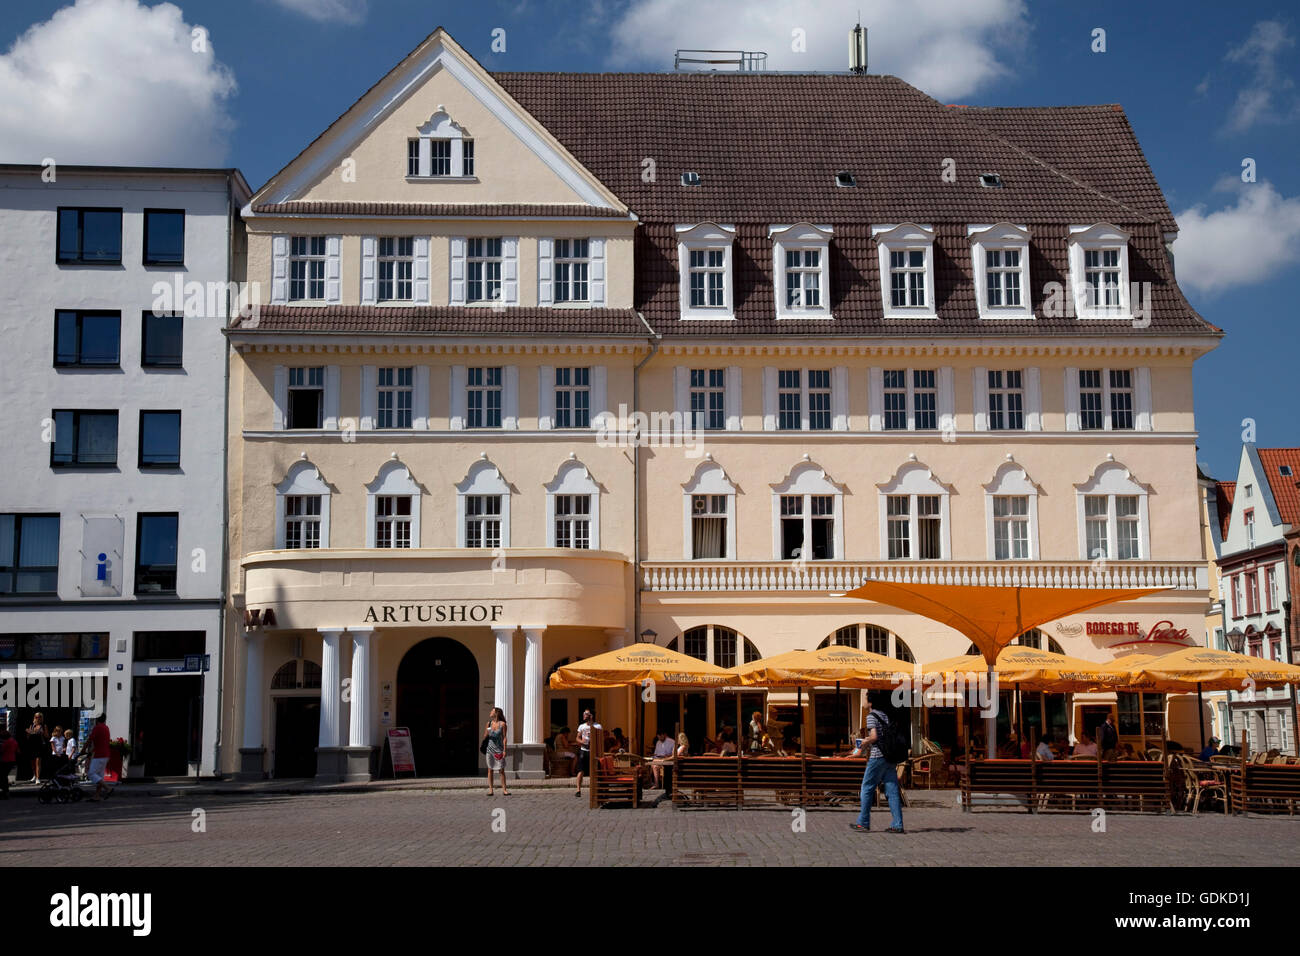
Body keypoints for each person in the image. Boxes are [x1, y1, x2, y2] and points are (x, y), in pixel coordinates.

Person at [850, 698, 903, 834]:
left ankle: (863, 823)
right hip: (889, 757)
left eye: (865, 699)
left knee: (867, 788)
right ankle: (897, 824)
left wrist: (864, 742)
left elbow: (874, 737)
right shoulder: (884, 715)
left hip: (877, 756)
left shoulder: (871, 716)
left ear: (871, 703)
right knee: (892, 791)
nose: (863, 701)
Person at [573, 709, 600, 796]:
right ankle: (578, 790)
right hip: (583, 750)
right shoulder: (581, 726)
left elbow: (600, 739)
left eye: (586, 713)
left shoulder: (598, 726)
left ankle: (595, 790)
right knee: (580, 770)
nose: (584, 715)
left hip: (593, 751)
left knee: (595, 770)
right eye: (583, 713)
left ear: (591, 716)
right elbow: (577, 738)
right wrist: (581, 741)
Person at [483, 706, 509, 797]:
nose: (490, 712)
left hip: (499, 750)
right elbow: (485, 737)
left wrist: (505, 750)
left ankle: (504, 789)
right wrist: (487, 732)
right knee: (490, 769)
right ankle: (490, 790)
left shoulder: (502, 724)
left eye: (492, 711)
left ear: (496, 713)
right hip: (490, 749)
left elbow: (505, 738)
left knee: (501, 770)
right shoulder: (489, 723)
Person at [86, 714, 111, 801]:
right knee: (100, 776)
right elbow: (101, 742)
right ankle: (96, 796)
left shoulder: (97, 728)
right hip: (106, 754)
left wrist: (83, 750)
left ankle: (108, 788)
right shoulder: (106, 728)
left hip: (99, 755)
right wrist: (92, 750)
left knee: (91, 773)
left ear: (97, 719)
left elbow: (90, 739)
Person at [27, 712, 48, 784]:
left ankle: (38, 778)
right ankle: (34, 775)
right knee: (32, 762)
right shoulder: (32, 725)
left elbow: (47, 736)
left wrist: (42, 733)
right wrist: (29, 732)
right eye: (36, 717)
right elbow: (28, 737)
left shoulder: (43, 726)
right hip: (32, 745)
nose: (37, 718)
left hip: (39, 745)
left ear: (41, 718)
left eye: (39, 717)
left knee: (38, 762)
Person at [0, 729, 17, 798]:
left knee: (3, 776)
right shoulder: (14, 741)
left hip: (5, 760)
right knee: (4, 776)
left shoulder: (6, 742)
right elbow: (17, 750)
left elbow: (1, 750)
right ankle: (5, 791)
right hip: (12, 760)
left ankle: (5, 791)